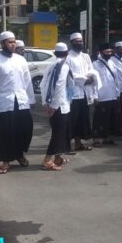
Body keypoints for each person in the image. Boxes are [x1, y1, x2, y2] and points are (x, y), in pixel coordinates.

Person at [0, 31, 35, 174]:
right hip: (5, 103)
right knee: (5, 133)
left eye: (14, 41)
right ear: (2, 43)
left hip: (22, 101)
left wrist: (31, 99)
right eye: (10, 42)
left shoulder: (21, 60)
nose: (13, 44)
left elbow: (27, 81)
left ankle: (19, 155)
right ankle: (6, 162)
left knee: (25, 130)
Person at [39, 42, 73, 171]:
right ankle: (47, 161)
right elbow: (59, 85)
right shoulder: (63, 66)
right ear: (67, 53)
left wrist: (45, 103)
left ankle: (58, 158)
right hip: (60, 105)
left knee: (61, 132)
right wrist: (53, 105)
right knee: (58, 134)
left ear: (54, 53)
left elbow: (43, 84)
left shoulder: (51, 65)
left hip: (55, 104)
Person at [65, 32, 98, 151]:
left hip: (85, 93)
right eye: (77, 41)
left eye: (81, 41)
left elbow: (92, 71)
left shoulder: (86, 56)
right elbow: (70, 75)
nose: (80, 43)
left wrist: (91, 79)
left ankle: (78, 144)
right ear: (72, 42)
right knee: (71, 120)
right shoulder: (67, 57)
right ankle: (67, 146)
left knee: (82, 119)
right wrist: (85, 80)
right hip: (72, 94)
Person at [92, 43, 122, 147]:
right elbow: (93, 82)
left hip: (113, 95)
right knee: (100, 118)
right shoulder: (95, 64)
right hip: (102, 96)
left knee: (111, 118)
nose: (109, 54)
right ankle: (97, 139)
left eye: (110, 52)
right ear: (101, 52)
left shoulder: (112, 63)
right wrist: (95, 96)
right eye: (107, 52)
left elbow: (116, 79)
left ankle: (107, 138)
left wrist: (118, 93)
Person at [110, 41, 122, 135]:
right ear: (116, 50)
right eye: (121, 49)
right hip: (117, 88)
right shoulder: (111, 59)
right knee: (119, 109)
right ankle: (118, 128)